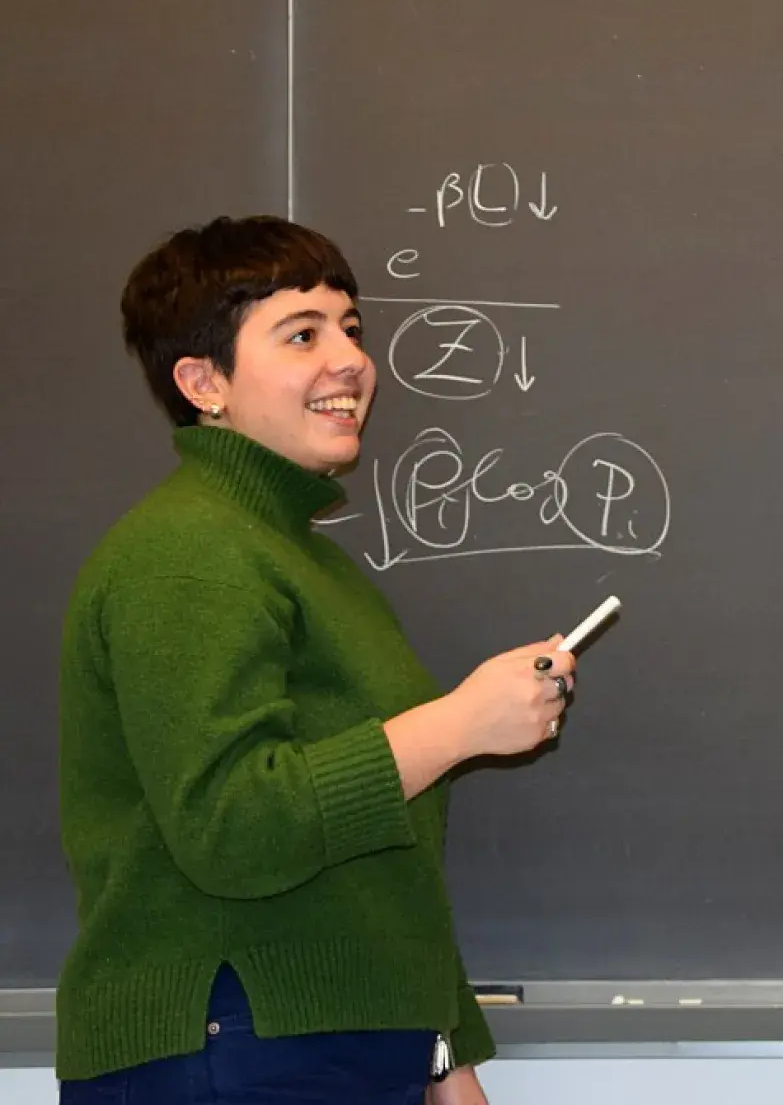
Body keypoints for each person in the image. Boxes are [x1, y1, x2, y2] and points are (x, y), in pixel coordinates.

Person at [58, 216, 578, 1104]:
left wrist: (445, 1053)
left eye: (351, 329)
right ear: (203, 382)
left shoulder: (304, 558)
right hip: (232, 1045)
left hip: (328, 1047)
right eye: (303, 334)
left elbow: (382, 851)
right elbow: (233, 826)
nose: (351, 361)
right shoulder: (189, 549)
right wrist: (455, 725)